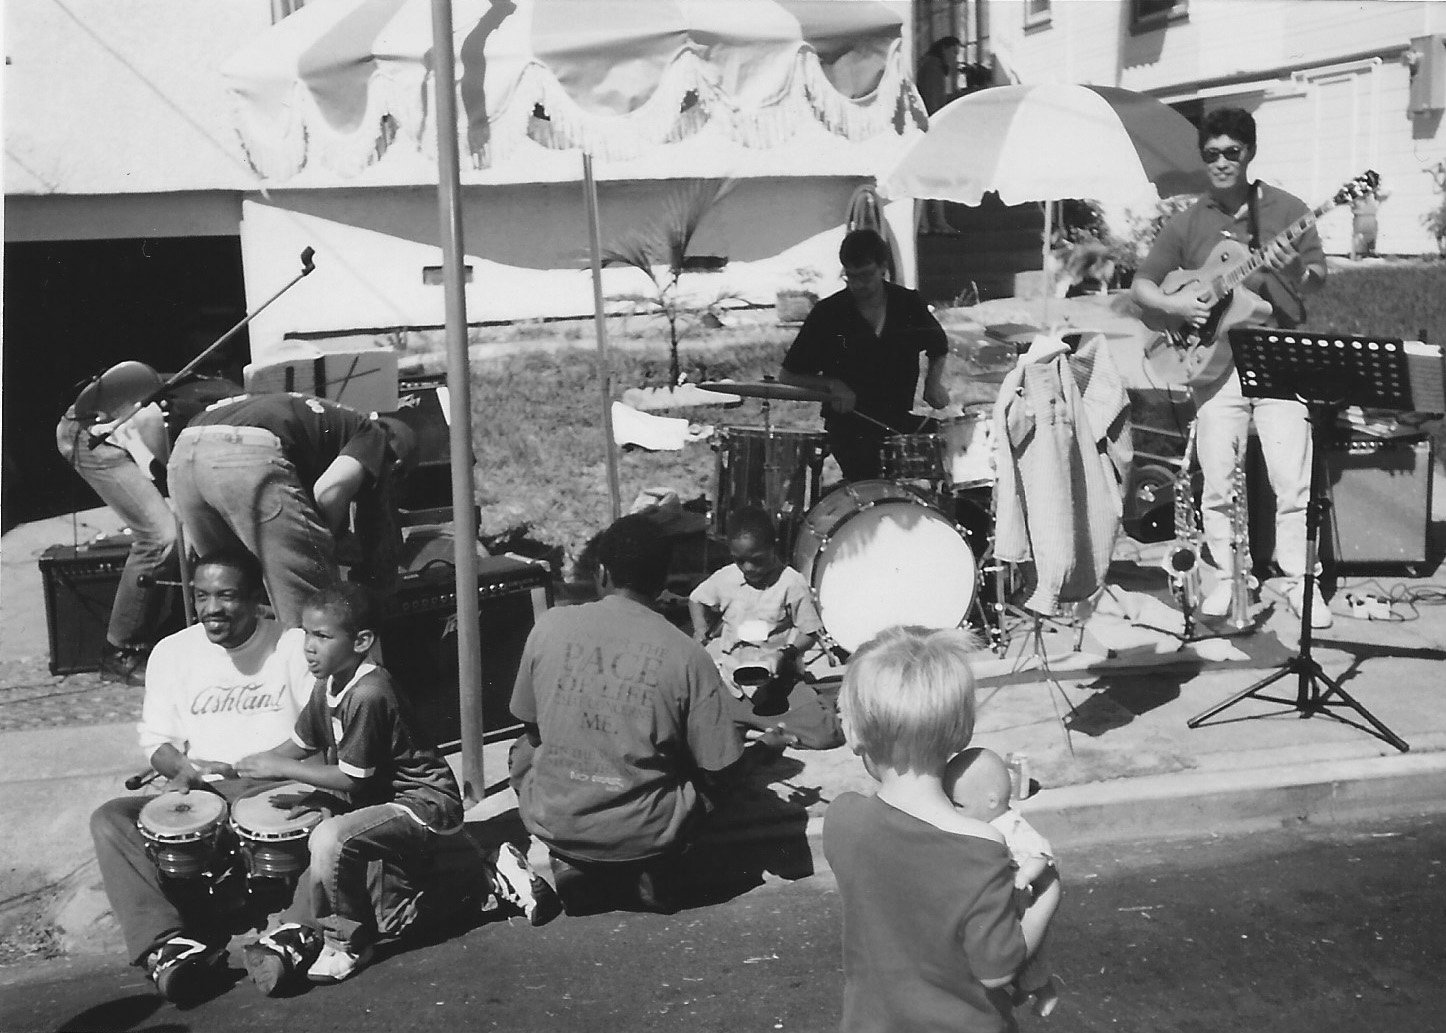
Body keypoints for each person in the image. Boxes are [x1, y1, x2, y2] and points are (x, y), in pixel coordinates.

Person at [234, 583, 556, 992]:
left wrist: (282, 769)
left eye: (323, 636)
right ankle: (486, 877)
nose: (309, 647)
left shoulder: (370, 691)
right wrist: (247, 765)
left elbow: (352, 778)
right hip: (380, 804)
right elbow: (301, 744)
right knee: (394, 919)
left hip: (422, 804)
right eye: (307, 634)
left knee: (330, 838)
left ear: (362, 641)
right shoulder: (328, 683)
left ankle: (346, 944)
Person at [1132, 107, 1332, 628]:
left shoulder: (1289, 210)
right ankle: (1228, 576)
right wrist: (1177, 305)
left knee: (1292, 480)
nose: (1221, 162)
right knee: (1218, 481)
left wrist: (1295, 268)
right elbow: (1142, 286)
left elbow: (1316, 280)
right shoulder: (1188, 220)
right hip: (1214, 365)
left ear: (1250, 153)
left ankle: (1300, 580)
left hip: (1280, 357)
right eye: (1211, 154)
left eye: (1231, 152)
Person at [88, 549, 313, 1002]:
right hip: (203, 792)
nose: (212, 608)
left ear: (255, 598)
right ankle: (167, 947)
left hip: (279, 785)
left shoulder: (292, 645)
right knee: (110, 819)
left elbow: (316, 730)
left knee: (331, 815)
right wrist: (183, 769)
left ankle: (294, 933)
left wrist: (271, 762)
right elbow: (156, 740)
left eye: (226, 596)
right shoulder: (172, 652)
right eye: (202, 596)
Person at [509, 513, 748, 915]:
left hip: (559, 821)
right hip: (648, 832)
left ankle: (570, 858)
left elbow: (531, 729)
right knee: (711, 768)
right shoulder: (687, 654)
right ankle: (653, 866)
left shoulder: (549, 626)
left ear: (602, 572)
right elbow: (720, 767)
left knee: (521, 753)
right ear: (663, 581)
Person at [824, 625, 1045, 1033]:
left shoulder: (842, 820)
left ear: (853, 735)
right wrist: (1050, 897)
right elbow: (997, 971)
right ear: (963, 732)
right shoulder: (981, 848)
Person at [167, 392, 415, 629]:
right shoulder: (374, 436)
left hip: (185, 452)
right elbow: (329, 491)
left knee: (235, 596)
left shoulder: (332, 424)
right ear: (397, 463)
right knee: (314, 614)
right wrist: (328, 540)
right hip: (244, 455)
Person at [780, 229, 952, 482]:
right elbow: (788, 375)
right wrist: (832, 385)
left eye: (866, 275)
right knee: (871, 483)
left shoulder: (907, 303)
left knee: (954, 451)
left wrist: (933, 383)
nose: (859, 285)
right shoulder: (828, 313)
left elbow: (938, 344)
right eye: (852, 276)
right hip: (850, 427)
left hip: (897, 418)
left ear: (883, 268)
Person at [688, 505, 841, 751]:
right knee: (697, 735)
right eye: (740, 560)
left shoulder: (791, 583)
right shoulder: (726, 578)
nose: (748, 568)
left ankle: (815, 706)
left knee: (826, 736)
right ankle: (763, 728)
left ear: (773, 548)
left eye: (757, 560)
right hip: (734, 683)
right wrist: (700, 629)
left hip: (778, 682)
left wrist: (786, 654)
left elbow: (809, 632)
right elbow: (697, 599)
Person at [56, 394, 177, 685]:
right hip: (95, 436)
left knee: (185, 534)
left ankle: (168, 638)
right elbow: (157, 452)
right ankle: (120, 652)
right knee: (161, 536)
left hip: (128, 432)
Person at [946, 747, 1062, 1019]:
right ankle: (1022, 990)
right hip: (997, 900)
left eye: (958, 804)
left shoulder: (1012, 827)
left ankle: (1046, 992)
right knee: (1003, 956)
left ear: (991, 801)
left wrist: (1025, 875)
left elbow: (1041, 854)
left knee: (1028, 960)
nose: (952, 811)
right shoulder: (978, 824)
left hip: (1019, 901)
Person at [915, 36, 962, 234]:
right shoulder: (934, 67)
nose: (955, 58)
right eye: (953, 52)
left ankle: (925, 223)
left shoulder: (929, 65)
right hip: (931, 129)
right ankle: (937, 222)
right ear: (943, 49)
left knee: (926, 176)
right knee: (935, 176)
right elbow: (933, 102)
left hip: (924, 128)